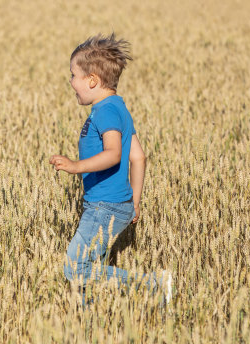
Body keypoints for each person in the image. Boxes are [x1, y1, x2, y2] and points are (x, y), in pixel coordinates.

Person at [49, 33, 172, 305]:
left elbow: (115, 155)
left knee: (75, 266)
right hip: (120, 204)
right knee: (91, 263)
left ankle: (153, 285)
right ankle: (88, 316)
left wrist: (74, 166)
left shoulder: (104, 111)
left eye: (73, 76)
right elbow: (139, 157)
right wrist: (134, 202)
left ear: (92, 80)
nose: (70, 83)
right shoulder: (119, 108)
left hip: (103, 206)